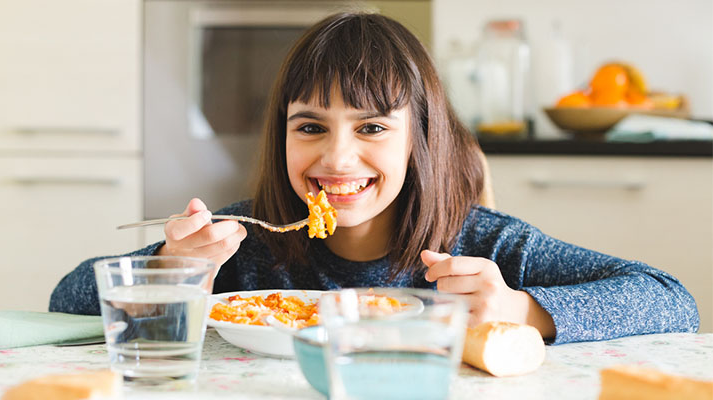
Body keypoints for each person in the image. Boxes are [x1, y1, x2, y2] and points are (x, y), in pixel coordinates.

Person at [50, 12, 699, 344]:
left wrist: (518, 309)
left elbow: (672, 300)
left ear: (420, 140)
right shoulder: (244, 249)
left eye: (371, 128)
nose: (336, 158)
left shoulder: (484, 246)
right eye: (309, 127)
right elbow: (67, 299)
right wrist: (172, 269)